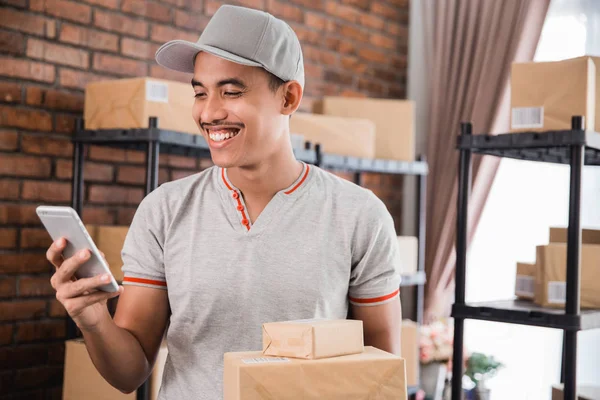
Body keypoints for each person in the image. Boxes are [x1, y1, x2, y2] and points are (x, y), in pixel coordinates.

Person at [47, 5, 403, 399]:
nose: (210, 112)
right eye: (201, 92)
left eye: (231, 91)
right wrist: (93, 318)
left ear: (288, 97)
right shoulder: (163, 210)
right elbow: (128, 373)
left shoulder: (359, 215)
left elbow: (380, 375)